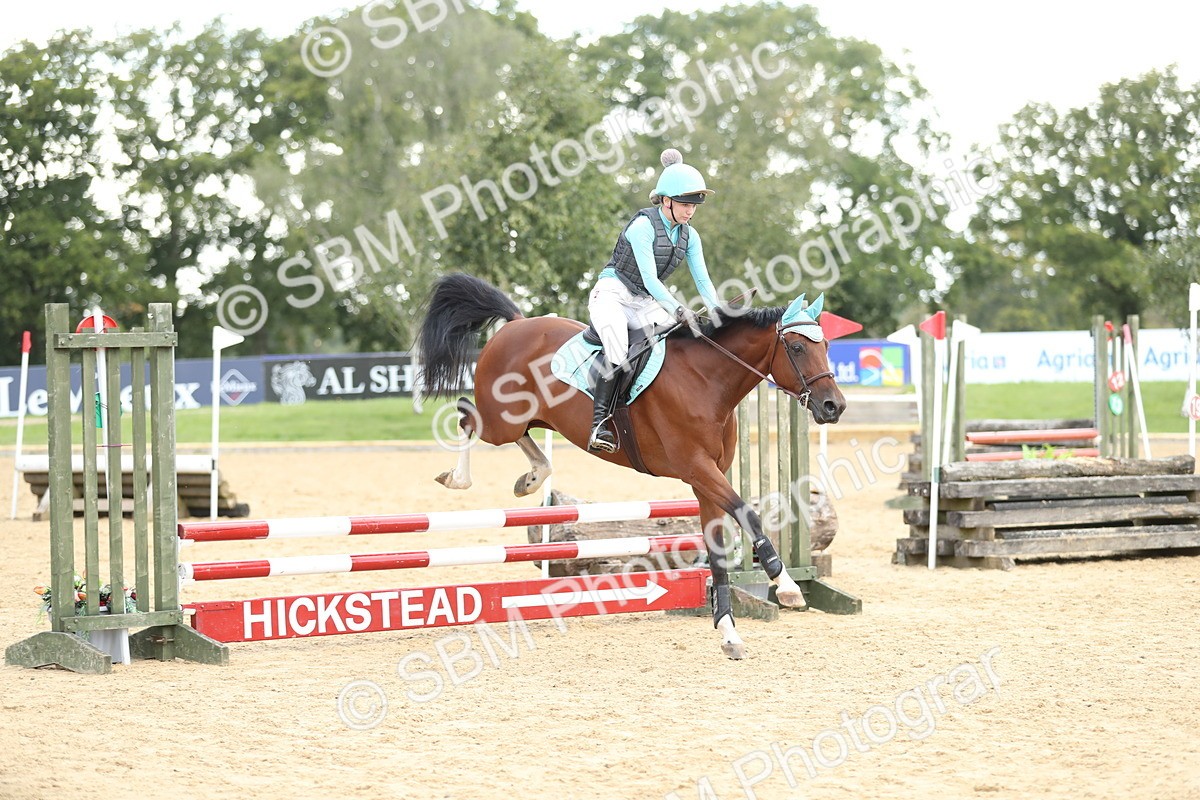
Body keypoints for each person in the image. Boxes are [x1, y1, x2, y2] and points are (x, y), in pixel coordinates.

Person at [586, 148, 722, 453]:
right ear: (666, 200)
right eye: (685, 205)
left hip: (644, 301)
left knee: (678, 341)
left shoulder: (690, 236)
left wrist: (717, 312)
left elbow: (702, 279)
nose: (690, 212)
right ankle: (599, 425)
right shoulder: (642, 227)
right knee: (619, 351)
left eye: (694, 207)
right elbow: (649, 279)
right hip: (612, 295)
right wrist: (677, 308)